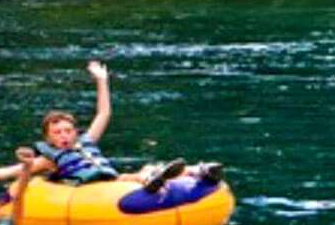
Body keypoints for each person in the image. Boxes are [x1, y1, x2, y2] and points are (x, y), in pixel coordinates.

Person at [20, 61, 221, 193]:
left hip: (113, 182)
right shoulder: (47, 160)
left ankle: (198, 170)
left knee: (148, 167)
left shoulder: (86, 142)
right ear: (48, 139)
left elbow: (104, 113)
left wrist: (102, 80)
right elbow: (7, 172)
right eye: (57, 133)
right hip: (99, 191)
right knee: (134, 176)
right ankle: (151, 179)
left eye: (67, 131)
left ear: (75, 133)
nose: (64, 136)